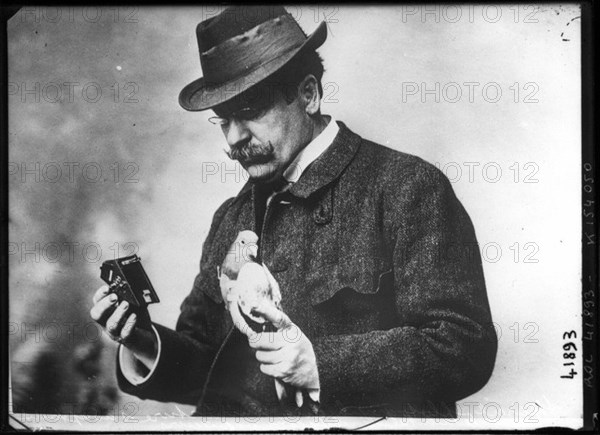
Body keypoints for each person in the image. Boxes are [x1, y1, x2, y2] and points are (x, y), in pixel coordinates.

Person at [90, 5, 497, 418]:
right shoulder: (229, 218)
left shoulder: (407, 187)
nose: (234, 140)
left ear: (308, 94)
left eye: (249, 112)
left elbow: (465, 346)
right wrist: (143, 340)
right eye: (223, 120)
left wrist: (321, 364)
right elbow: (207, 374)